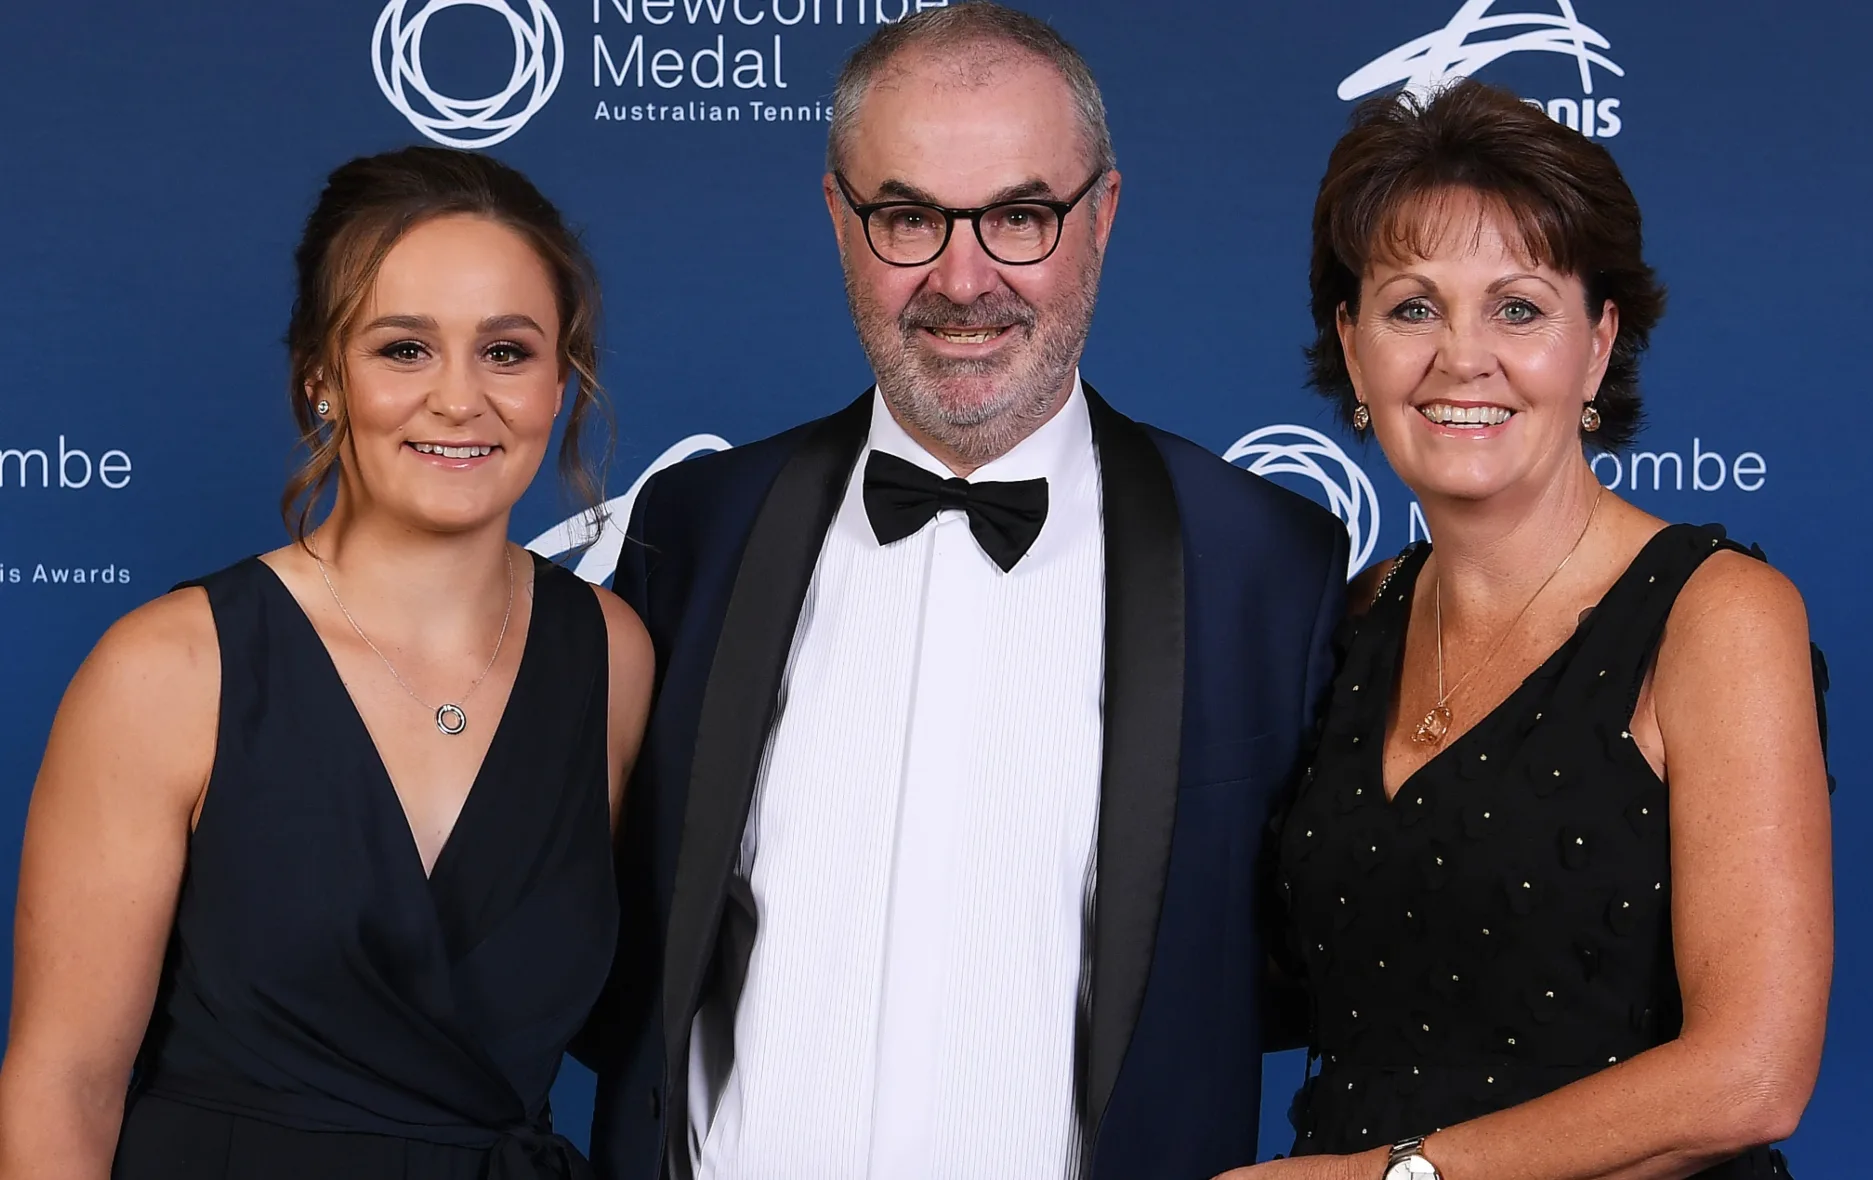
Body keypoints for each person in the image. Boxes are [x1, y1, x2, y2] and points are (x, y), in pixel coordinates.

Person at [579, 5, 1348, 1179]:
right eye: (907, 217)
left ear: (1102, 216)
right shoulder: (694, 531)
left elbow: (1306, 965)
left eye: (1021, 216)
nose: (963, 277)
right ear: (839, 220)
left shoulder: (1267, 563)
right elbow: (592, 932)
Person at [0, 147, 652, 1180]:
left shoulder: (611, 656)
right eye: (404, 349)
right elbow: (62, 1082)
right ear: (321, 377)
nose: (458, 399)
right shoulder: (170, 668)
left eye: (507, 351)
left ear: (564, 384)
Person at [1226, 81, 1832, 1180]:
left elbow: (1754, 1074)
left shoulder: (1718, 614)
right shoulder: (1354, 619)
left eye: (1518, 307)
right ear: (1353, 350)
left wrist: (1391, 1179)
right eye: (1413, 307)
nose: (1464, 358)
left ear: (1597, 344)